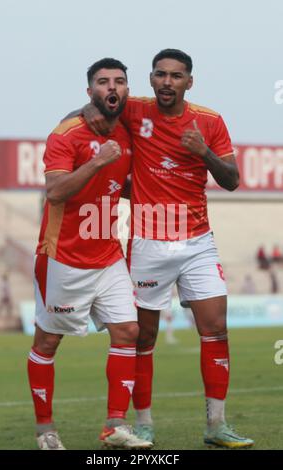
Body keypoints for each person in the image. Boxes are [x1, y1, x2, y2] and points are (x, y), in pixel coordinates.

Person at [66, 49, 254, 449]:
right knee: (142, 337)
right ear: (151, 80)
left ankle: (216, 425)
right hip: (149, 241)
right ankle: (145, 424)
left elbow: (233, 180)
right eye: (160, 75)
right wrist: (88, 106)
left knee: (216, 329)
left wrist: (202, 151)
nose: (168, 81)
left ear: (190, 81)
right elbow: (99, 104)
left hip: (198, 241)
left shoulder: (210, 121)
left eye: (176, 75)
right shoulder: (136, 110)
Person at [27, 58, 153, 450]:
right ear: (89, 92)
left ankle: (114, 427)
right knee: (48, 343)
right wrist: (98, 161)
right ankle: (45, 431)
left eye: (119, 81)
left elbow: (123, 184)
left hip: (108, 254)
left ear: (127, 89)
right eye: (102, 82)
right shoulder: (67, 134)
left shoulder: (129, 133)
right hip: (63, 257)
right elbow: (56, 192)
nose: (111, 87)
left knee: (128, 331)